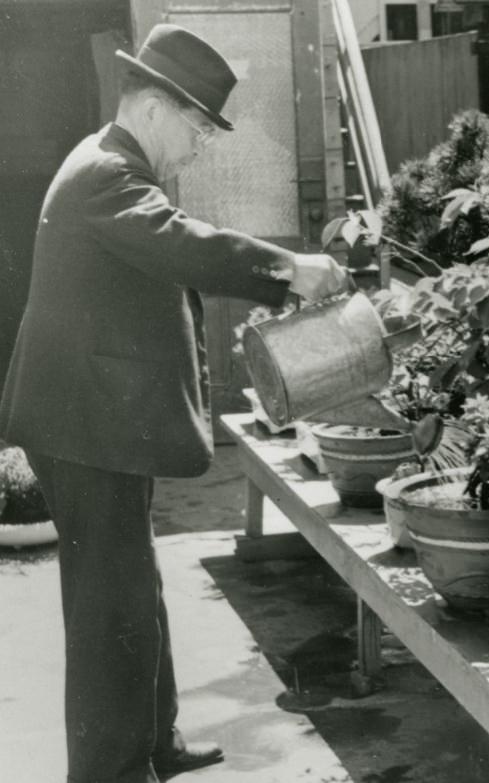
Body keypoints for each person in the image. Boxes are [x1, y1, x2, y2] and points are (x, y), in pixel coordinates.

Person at [0, 23, 351, 783]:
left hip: (100, 419)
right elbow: (181, 243)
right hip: (84, 426)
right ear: (155, 107)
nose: (200, 147)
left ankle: (154, 740)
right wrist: (289, 268)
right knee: (106, 610)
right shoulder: (106, 174)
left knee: (134, 588)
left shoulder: (113, 166)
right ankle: (108, 771)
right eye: (197, 128)